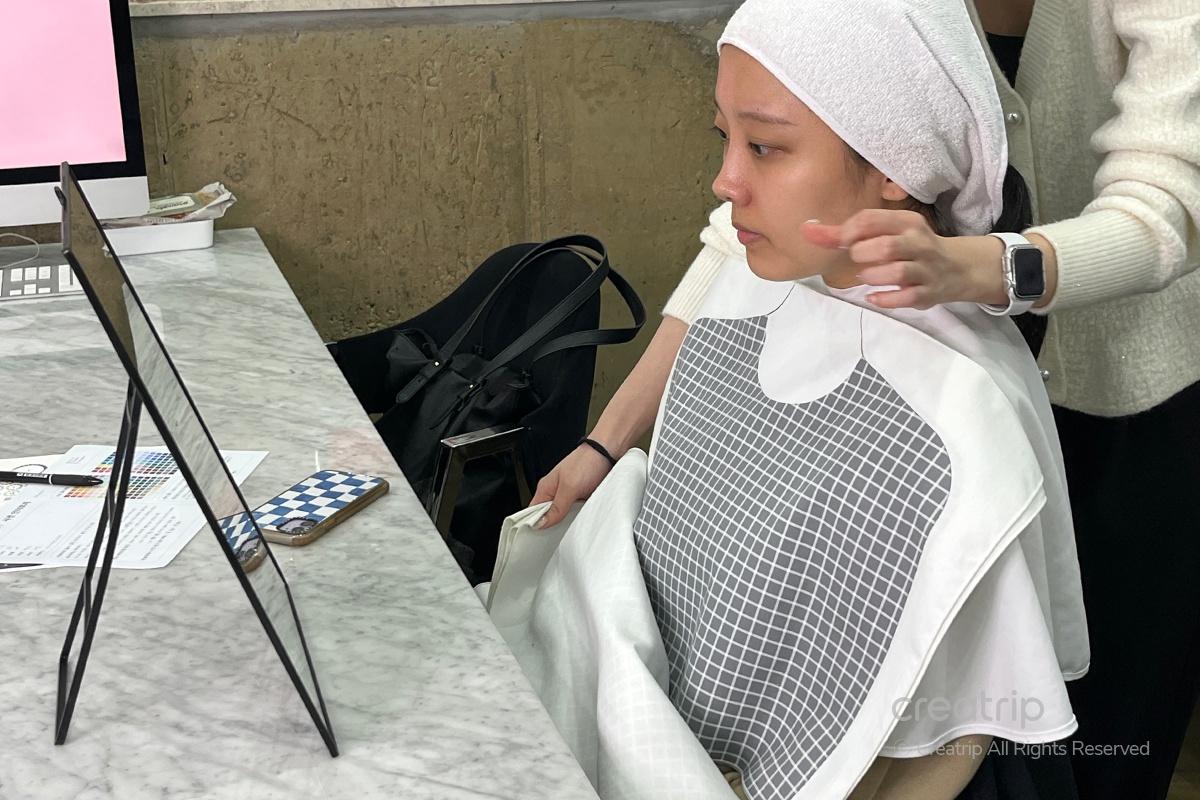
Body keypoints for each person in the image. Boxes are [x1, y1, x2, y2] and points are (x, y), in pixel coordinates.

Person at [531, 1, 1200, 799]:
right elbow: (733, 231)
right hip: (933, 354)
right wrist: (606, 442)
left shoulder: (954, 424)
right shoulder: (780, 299)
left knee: (1107, 734)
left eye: (764, 148)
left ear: (895, 164)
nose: (725, 179)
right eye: (726, 141)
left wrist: (978, 268)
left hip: (1128, 386)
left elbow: (1165, 206)